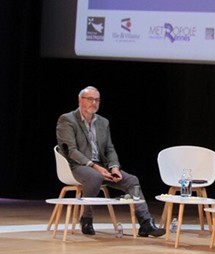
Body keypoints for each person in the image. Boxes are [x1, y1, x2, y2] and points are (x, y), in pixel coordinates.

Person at [55, 86, 166, 237]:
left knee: (132, 180)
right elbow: (71, 150)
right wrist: (95, 167)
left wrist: (114, 167)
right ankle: (86, 218)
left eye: (97, 100)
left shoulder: (103, 122)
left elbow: (109, 149)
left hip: (102, 166)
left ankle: (145, 223)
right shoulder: (67, 119)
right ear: (80, 100)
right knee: (95, 177)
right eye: (90, 99)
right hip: (77, 165)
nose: (94, 103)